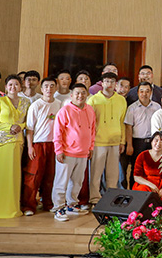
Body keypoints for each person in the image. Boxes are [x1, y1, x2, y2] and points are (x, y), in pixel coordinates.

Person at [0, 75, 30, 219]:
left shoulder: (26, 102)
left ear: (20, 87)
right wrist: (9, 127)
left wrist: (20, 126)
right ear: (6, 87)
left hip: (18, 142)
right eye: (10, 85)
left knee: (14, 176)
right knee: (1, 175)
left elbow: (29, 122)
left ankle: (12, 207)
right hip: (3, 143)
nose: (13, 87)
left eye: (16, 84)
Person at [51, 84, 96, 222]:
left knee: (77, 182)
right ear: (71, 95)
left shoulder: (90, 110)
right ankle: (59, 208)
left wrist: (90, 148)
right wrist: (59, 150)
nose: (80, 96)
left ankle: (72, 204)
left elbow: (92, 130)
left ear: (87, 95)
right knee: (61, 182)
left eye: (83, 93)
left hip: (83, 153)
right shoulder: (65, 111)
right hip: (67, 152)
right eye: (77, 93)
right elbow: (57, 133)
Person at [23, 76, 62, 215]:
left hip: (54, 144)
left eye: (52, 86)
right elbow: (29, 129)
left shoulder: (59, 104)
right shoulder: (36, 105)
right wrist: (30, 146)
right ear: (41, 88)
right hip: (38, 144)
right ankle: (28, 206)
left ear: (56, 88)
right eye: (46, 86)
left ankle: (48, 203)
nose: (49, 89)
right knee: (33, 176)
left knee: (50, 175)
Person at [87, 72, 126, 200]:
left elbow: (122, 122)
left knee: (113, 174)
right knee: (96, 173)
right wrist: (90, 143)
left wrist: (122, 141)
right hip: (98, 141)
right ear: (102, 83)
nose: (109, 84)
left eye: (112, 81)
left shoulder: (121, 100)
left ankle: (111, 199)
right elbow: (90, 124)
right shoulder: (93, 100)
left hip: (115, 141)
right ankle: (94, 198)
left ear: (116, 84)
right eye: (107, 81)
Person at [124, 84, 161, 185]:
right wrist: (129, 145)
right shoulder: (132, 108)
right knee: (136, 168)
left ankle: (150, 189)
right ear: (138, 93)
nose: (144, 94)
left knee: (152, 168)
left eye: (147, 91)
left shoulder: (157, 107)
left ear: (151, 93)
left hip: (153, 142)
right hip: (138, 142)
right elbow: (128, 127)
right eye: (142, 91)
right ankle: (134, 190)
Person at [132, 131, 162, 207]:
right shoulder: (142, 155)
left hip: (160, 185)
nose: (158, 143)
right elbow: (136, 177)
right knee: (143, 197)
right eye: (156, 140)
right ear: (151, 141)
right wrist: (150, 185)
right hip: (145, 184)